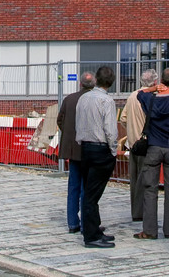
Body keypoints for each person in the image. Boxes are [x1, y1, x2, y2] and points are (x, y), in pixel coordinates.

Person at [75, 65, 119, 248]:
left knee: (90, 191)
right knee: (92, 195)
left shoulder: (83, 98)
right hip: (101, 149)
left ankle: (93, 228)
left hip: (85, 147)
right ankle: (91, 236)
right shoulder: (107, 101)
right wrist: (114, 150)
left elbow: (78, 123)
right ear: (111, 81)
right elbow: (110, 129)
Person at [135, 67, 169, 240]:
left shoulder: (150, 100)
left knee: (149, 190)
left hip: (153, 146)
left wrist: (154, 88)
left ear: (161, 81)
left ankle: (149, 230)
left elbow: (140, 93)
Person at [56, 71, 95, 234]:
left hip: (73, 149)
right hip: (89, 148)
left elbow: (60, 120)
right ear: (93, 84)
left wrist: (70, 136)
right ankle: (87, 223)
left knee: (73, 186)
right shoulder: (95, 100)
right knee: (87, 187)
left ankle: (73, 222)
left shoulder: (69, 99)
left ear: (80, 84)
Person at [120, 68, 160, 222]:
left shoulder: (132, 96)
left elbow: (123, 118)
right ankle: (143, 212)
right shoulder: (151, 97)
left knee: (134, 180)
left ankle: (135, 212)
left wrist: (131, 131)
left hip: (132, 144)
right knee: (147, 180)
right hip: (147, 144)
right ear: (155, 82)